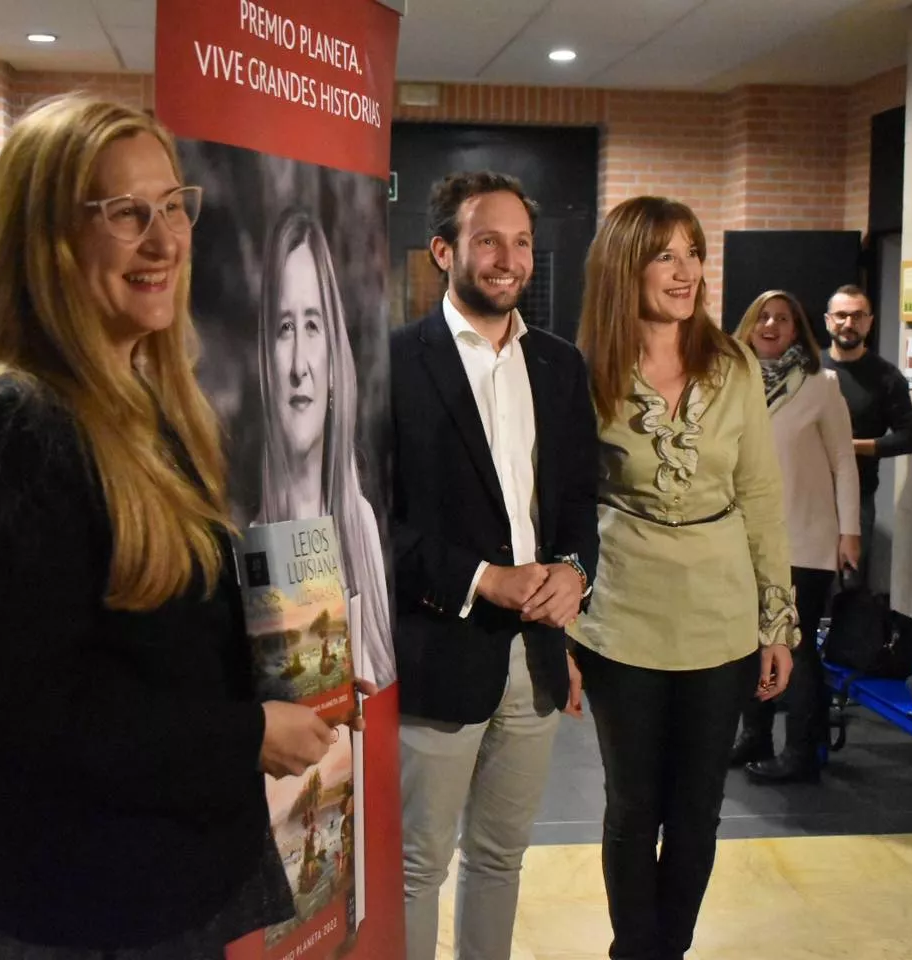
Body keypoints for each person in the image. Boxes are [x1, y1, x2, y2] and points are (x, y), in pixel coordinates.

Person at [0, 94, 369, 960]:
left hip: (156, 886)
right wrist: (250, 733)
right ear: (46, 239)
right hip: (76, 909)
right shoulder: (19, 425)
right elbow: (27, 720)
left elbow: (155, 651)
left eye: (173, 206)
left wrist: (300, 673)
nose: (164, 241)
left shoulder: (149, 408)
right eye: (125, 213)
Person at [569, 196, 797, 960]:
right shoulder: (582, 370)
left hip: (720, 620)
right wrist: (561, 629)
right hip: (620, 617)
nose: (686, 271)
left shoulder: (734, 366)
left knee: (697, 811)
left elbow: (760, 495)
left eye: (692, 253)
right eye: (664, 255)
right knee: (634, 808)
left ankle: (670, 951)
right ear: (623, 267)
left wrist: (776, 622)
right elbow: (559, 505)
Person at [390, 171, 599, 960]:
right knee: (417, 866)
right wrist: (481, 578)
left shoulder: (560, 365)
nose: (509, 260)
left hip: (535, 657)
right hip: (438, 649)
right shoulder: (393, 363)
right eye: (488, 240)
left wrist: (575, 574)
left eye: (522, 243)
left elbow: (578, 501)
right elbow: (370, 523)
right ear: (444, 251)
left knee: (501, 858)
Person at [256, 206, 395, 690]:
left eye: (312, 325)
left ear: (335, 360)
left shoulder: (361, 526)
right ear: (266, 362)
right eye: (284, 327)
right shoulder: (249, 552)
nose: (299, 365)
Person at [732, 290, 860, 783]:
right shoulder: (731, 379)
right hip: (746, 536)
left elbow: (844, 461)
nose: (771, 324)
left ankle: (803, 752)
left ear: (796, 329)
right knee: (751, 640)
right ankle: (755, 736)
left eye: (782, 318)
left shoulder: (820, 384)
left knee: (796, 644)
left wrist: (850, 532)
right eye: (763, 316)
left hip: (805, 537)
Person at [823, 284, 912, 579]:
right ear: (828, 320)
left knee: (848, 584)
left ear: (869, 322)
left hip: (858, 496)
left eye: (857, 316)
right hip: (805, 494)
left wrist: (851, 446)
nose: (848, 323)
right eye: (841, 315)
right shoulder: (808, 370)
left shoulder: (887, 377)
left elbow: (908, 438)